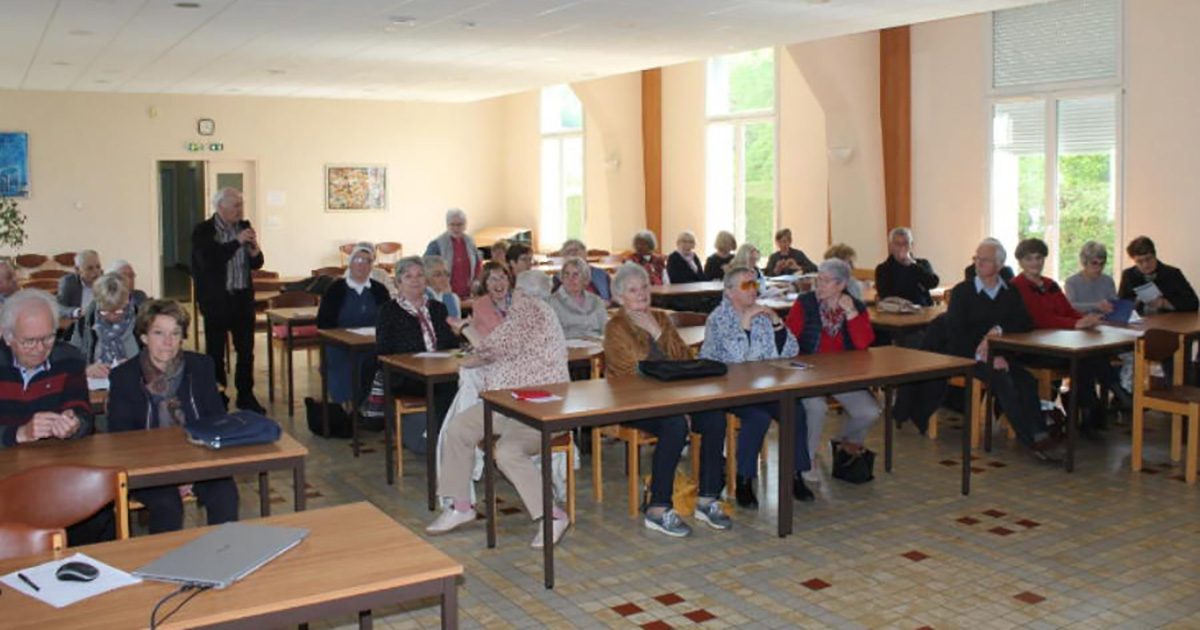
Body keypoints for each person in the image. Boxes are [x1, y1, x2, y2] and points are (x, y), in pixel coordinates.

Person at [428, 271, 572, 548]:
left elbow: (490, 349)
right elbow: (497, 353)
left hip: (540, 408)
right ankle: (460, 506)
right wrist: (469, 360)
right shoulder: (527, 316)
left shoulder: (531, 312)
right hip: (509, 403)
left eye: (515, 291)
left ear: (525, 294)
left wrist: (465, 328)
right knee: (459, 429)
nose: (511, 295)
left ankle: (553, 516)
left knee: (507, 451)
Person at [605, 264, 730, 535]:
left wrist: (659, 333)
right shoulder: (615, 327)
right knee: (675, 424)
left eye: (645, 288)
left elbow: (685, 360)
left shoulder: (660, 319)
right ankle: (657, 507)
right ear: (619, 297)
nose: (641, 294)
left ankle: (708, 499)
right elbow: (631, 374)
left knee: (714, 418)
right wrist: (673, 399)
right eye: (633, 290)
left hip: (675, 397)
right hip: (633, 402)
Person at [106, 300, 238, 534]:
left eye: (175, 333)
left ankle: (223, 557)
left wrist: (189, 471)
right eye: (159, 333)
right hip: (146, 468)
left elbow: (217, 423)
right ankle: (162, 567)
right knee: (168, 506)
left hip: (197, 461)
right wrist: (170, 474)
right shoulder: (124, 377)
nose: (168, 342)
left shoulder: (201, 367)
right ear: (144, 337)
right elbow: (120, 441)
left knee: (225, 494)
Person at [699, 266, 814, 507]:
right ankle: (744, 478)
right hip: (727, 388)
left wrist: (776, 323)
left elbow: (790, 350)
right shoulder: (718, 319)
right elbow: (736, 358)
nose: (754, 290)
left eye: (755, 284)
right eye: (746, 285)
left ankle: (795, 474)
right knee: (757, 417)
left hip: (761, 385)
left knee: (795, 409)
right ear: (730, 292)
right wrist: (745, 324)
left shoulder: (762, 314)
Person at [0, 290, 103, 543]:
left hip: (54, 471)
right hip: (5, 474)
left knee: (96, 512)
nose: (40, 349)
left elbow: (83, 411)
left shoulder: (68, 357)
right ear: (7, 335)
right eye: (29, 341)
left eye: (48, 338)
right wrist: (19, 433)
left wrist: (75, 423)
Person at [946, 238, 1061, 460]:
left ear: (999, 265)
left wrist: (998, 331)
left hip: (1001, 354)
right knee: (1003, 380)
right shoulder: (963, 292)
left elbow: (1024, 323)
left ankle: (1040, 433)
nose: (978, 264)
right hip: (968, 356)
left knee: (1027, 380)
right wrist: (983, 354)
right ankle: (1030, 439)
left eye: (985, 260)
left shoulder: (1009, 291)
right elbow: (955, 333)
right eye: (977, 259)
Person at [785, 259, 880, 470]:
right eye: (818, 278)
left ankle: (844, 441)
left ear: (841, 285)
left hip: (842, 374)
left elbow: (863, 343)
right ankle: (806, 461)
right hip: (808, 373)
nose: (819, 284)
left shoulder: (856, 306)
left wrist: (852, 314)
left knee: (869, 411)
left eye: (826, 281)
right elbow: (789, 338)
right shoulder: (805, 303)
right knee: (816, 407)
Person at [1010, 238, 1110, 435]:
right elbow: (1039, 319)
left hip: (1057, 342)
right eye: (1029, 259)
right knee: (1085, 359)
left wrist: (1086, 319)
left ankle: (1086, 413)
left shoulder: (1050, 284)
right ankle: (1092, 411)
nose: (1035, 263)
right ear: (1020, 262)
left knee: (1092, 355)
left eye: (1039, 258)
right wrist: (1075, 324)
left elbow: (1067, 310)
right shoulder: (1016, 286)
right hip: (1030, 348)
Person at [191, 187, 265, 413]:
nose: (240, 210)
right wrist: (236, 242)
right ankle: (218, 395)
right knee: (215, 352)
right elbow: (208, 261)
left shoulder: (243, 226)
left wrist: (254, 252)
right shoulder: (203, 230)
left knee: (246, 350)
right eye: (236, 205)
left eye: (241, 205)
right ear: (220, 206)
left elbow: (257, 263)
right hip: (216, 301)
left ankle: (246, 395)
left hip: (242, 298)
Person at [369, 257, 459, 434]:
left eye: (420, 275)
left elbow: (450, 344)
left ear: (426, 280)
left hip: (437, 371)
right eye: (408, 276)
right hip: (405, 376)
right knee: (446, 388)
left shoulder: (437, 308)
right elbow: (384, 351)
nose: (415, 280)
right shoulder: (388, 311)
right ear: (398, 283)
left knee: (463, 382)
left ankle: (455, 438)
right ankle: (438, 440)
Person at [317, 243, 391, 405]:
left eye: (367, 261)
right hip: (339, 344)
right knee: (344, 364)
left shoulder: (379, 290)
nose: (361, 264)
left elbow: (387, 318)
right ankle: (345, 406)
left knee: (377, 363)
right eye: (357, 259)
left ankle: (369, 407)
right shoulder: (336, 289)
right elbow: (324, 323)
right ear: (350, 263)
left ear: (372, 266)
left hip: (372, 344)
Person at [68, 272, 140, 380]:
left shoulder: (142, 322)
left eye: (118, 310)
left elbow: (157, 361)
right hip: (96, 388)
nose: (112, 317)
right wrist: (86, 369)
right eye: (105, 311)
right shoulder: (85, 324)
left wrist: (135, 366)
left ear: (127, 301)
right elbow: (70, 360)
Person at [1118, 236, 1199, 315]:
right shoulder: (1128, 275)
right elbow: (1120, 305)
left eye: (1148, 259)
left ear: (1155, 255)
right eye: (1139, 261)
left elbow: (1193, 303)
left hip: (1168, 323)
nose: (1145, 265)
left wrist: (1164, 303)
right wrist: (1136, 302)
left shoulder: (1172, 274)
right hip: (1139, 323)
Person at [874, 227, 940, 306]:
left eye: (905, 243)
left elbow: (933, 283)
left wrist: (912, 265)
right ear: (891, 246)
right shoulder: (883, 268)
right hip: (895, 313)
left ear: (911, 245)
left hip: (922, 311)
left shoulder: (922, 264)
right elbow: (884, 294)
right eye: (897, 244)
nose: (902, 247)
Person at [424, 208, 481, 300]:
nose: (456, 228)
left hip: (467, 295)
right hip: (443, 296)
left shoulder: (470, 241)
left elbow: (478, 263)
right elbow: (426, 269)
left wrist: (476, 281)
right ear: (447, 225)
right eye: (452, 224)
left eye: (459, 224)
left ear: (465, 225)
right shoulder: (436, 244)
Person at [548, 257, 607, 339]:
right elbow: (553, 334)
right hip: (569, 347)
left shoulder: (596, 300)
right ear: (562, 278)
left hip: (596, 345)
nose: (570, 279)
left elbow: (605, 329)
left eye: (575, 275)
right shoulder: (552, 302)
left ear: (585, 279)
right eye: (566, 274)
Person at [1064, 241, 1118, 314]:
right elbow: (1070, 306)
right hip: (1082, 322)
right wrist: (1096, 305)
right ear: (1084, 262)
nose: (1098, 268)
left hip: (1105, 322)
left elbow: (1115, 304)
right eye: (1094, 263)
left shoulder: (1108, 281)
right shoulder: (1072, 282)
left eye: (1102, 264)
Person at [471, 261, 513, 338]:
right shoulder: (480, 306)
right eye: (493, 279)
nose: (499, 282)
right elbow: (483, 339)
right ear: (486, 285)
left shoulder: (522, 302)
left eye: (502, 277)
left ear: (508, 281)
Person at [57, 249, 103, 317]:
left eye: (98, 267)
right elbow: (59, 307)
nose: (96, 271)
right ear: (77, 270)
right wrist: (76, 312)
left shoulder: (107, 281)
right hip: (78, 323)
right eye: (90, 268)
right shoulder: (69, 282)